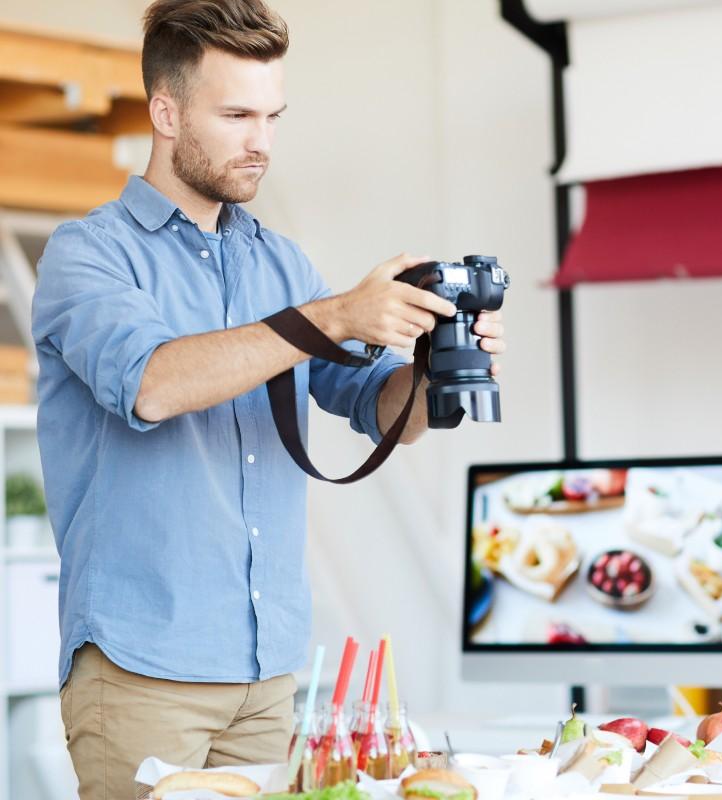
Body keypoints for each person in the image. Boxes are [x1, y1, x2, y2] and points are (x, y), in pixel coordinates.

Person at [31, 1, 506, 798]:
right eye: (237, 116)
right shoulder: (88, 254)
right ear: (166, 113)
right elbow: (153, 384)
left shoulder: (280, 264)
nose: (262, 142)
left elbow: (377, 409)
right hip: (143, 672)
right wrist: (334, 316)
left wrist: (437, 368)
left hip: (269, 675)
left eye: (273, 116)